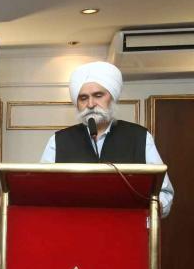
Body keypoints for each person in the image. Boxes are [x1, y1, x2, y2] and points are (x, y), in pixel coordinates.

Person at [40, 61, 174, 217]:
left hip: (126, 227)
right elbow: (42, 191)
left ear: (112, 98)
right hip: (72, 227)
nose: (90, 104)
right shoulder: (58, 141)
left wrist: (154, 207)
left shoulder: (140, 137)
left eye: (98, 95)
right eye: (83, 98)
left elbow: (164, 193)